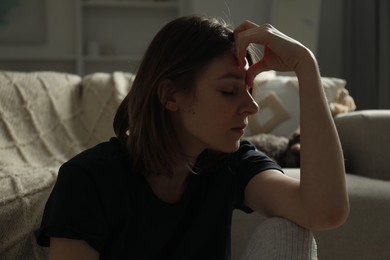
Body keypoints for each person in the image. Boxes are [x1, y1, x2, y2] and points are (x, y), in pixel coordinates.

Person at [36, 15, 349, 259]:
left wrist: (305, 66)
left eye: (250, 91)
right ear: (171, 96)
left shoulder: (231, 162)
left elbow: (324, 211)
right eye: (229, 91)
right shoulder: (87, 179)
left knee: (289, 232)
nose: (251, 107)